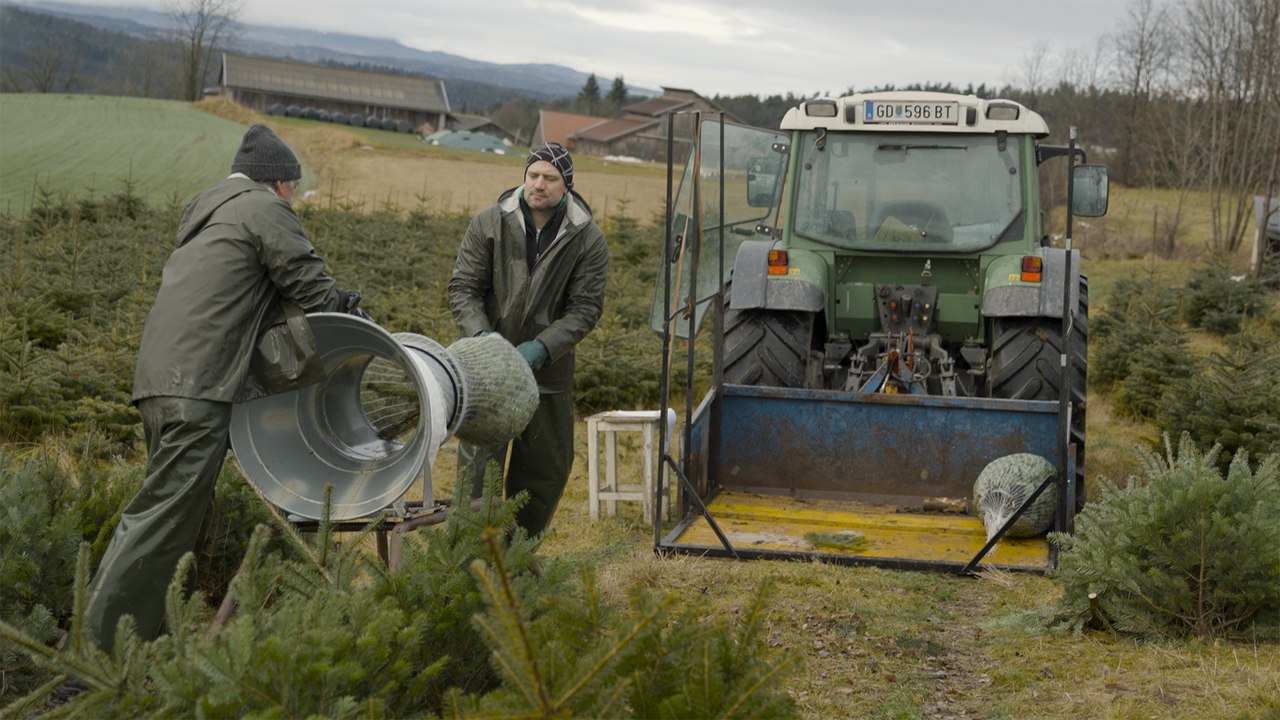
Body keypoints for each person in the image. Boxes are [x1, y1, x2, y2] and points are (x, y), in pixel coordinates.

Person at [84, 124, 366, 651]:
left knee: (171, 516)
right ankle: (97, 653)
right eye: (296, 191)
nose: (296, 201)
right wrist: (359, 321)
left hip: (159, 383)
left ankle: (152, 638)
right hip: (200, 388)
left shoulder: (209, 214)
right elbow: (308, 284)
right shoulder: (264, 208)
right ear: (279, 183)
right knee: (160, 521)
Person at [449, 142, 609, 536]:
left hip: (548, 377)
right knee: (476, 475)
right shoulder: (489, 223)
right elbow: (463, 289)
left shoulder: (587, 239)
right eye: (533, 175)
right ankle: (465, 563)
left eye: (550, 178)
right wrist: (484, 341)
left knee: (544, 474)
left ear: (566, 185)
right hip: (487, 374)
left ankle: (515, 559)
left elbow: (585, 309)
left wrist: (541, 349)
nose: (539, 184)